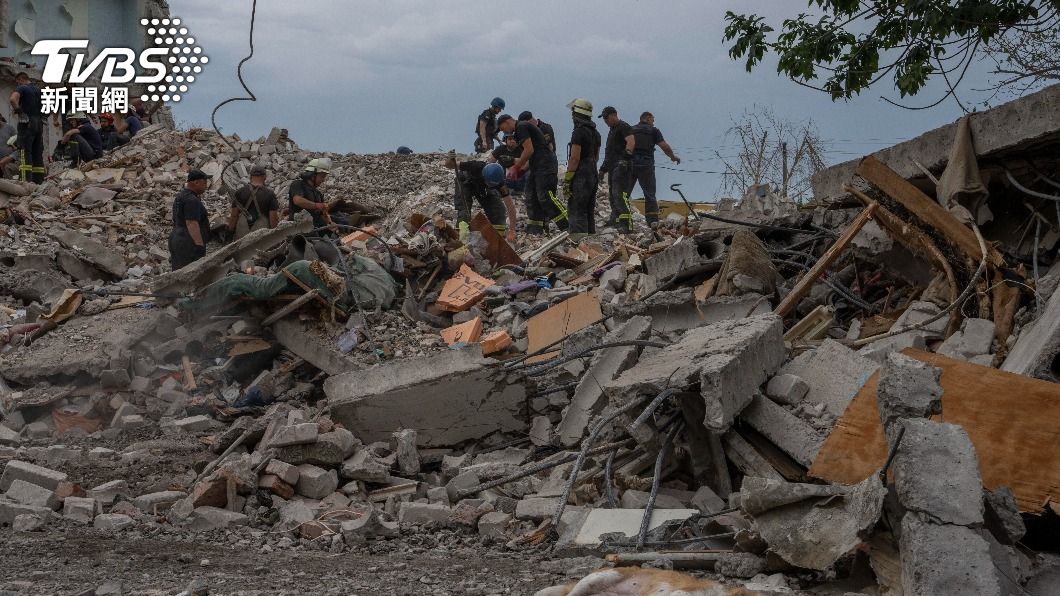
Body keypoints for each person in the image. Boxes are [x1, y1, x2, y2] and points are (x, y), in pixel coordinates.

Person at [498, 113, 567, 235]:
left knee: (546, 196)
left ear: (507, 121)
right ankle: (535, 228)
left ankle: (568, 225)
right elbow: (531, 154)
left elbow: (529, 150)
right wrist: (522, 170)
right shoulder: (520, 129)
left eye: (503, 128)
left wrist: (516, 167)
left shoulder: (521, 127)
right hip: (537, 165)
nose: (505, 132)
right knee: (531, 194)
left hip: (545, 165)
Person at [445, 156, 518, 242]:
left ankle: (497, 239)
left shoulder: (500, 183)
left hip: (483, 188)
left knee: (498, 210)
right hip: (465, 182)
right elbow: (450, 165)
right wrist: (450, 160)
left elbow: (510, 206)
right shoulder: (476, 166)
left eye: (492, 185)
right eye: (489, 183)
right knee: (464, 210)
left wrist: (512, 230)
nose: (490, 185)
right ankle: (460, 237)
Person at [629, 112, 680, 225]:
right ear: (647, 119)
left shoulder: (631, 130)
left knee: (625, 193)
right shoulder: (653, 131)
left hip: (630, 164)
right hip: (646, 165)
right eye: (652, 120)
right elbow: (664, 146)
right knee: (650, 194)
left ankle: (623, 219)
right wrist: (672, 157)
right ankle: (652, 221)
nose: (653, 123)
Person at [562, 99, 602, 239]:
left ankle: (578, 242)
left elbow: (574, 158)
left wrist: (568, 179)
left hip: (581, 174)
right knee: (588, 208)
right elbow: (596, 157)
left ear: (576, 113)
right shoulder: (596, 133)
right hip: (592, 172)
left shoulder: (578, 132)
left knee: (576, 208)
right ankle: (590, 239)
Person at [598, 106, 635, 232]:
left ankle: (626, 224)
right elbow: (610, 153)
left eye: (606, 118)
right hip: (613, 166)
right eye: (603, 119)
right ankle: (615, 219)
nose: (605, 121)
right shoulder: (612, 130)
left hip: (622, 166)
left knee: (620, 194)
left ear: (614, 115)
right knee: (613, 195)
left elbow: (631, 142)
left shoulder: (624, 127)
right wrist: (603, 169)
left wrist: (625, 158)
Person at [169, 169, 213, 270]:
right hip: (188, 242)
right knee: (190, 273)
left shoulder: (180, 196)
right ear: (196, 182)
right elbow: (191, 223)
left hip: (176, 238)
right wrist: (199, 245)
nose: (206, 185)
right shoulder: (192, 200)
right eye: (204, 182)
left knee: (178, 272)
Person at [226, 165, 279, 240]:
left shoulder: (239, 192)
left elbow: (234, 216)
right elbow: (273, 219)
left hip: (242, 233)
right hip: (261, 235)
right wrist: (275, 237)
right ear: (264, 177)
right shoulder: (270, 194)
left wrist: (230, 232)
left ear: (250, 177)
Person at [9, 72, 44, 183]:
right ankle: (39, 182)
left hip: (27, 123)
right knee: (37, 152)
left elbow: (13, 99)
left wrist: (20, 112)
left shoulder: (22, 88)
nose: (17, 84)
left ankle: (25, 182)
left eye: (17, 82)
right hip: (38, 124)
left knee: (24, 151)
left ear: (21, 79)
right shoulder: (39, 90)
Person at [288, 157, 334, 230]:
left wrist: (329, 222)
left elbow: (323, 215)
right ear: (312, 176)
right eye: (322, 176)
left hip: (316, 230)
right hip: (298, 230)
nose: (323, 180)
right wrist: (317, 205)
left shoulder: (318, 194)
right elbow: (297, 200)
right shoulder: (298, 184)